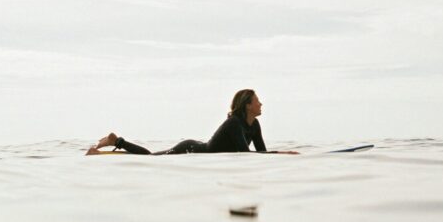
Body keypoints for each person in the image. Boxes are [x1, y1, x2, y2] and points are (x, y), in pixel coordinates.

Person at [86, 89, 298, 155]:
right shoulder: (235, 123)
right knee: (151, 158)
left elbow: (260, 153)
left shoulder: (254, 125)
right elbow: (245, 154)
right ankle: (117, 141)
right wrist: (281, 155)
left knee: (152, 157)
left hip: (198, 149)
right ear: (247, 105)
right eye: (257, 101)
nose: (261, 104)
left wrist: (278, 156)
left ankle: (117, 141)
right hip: (190, 150)